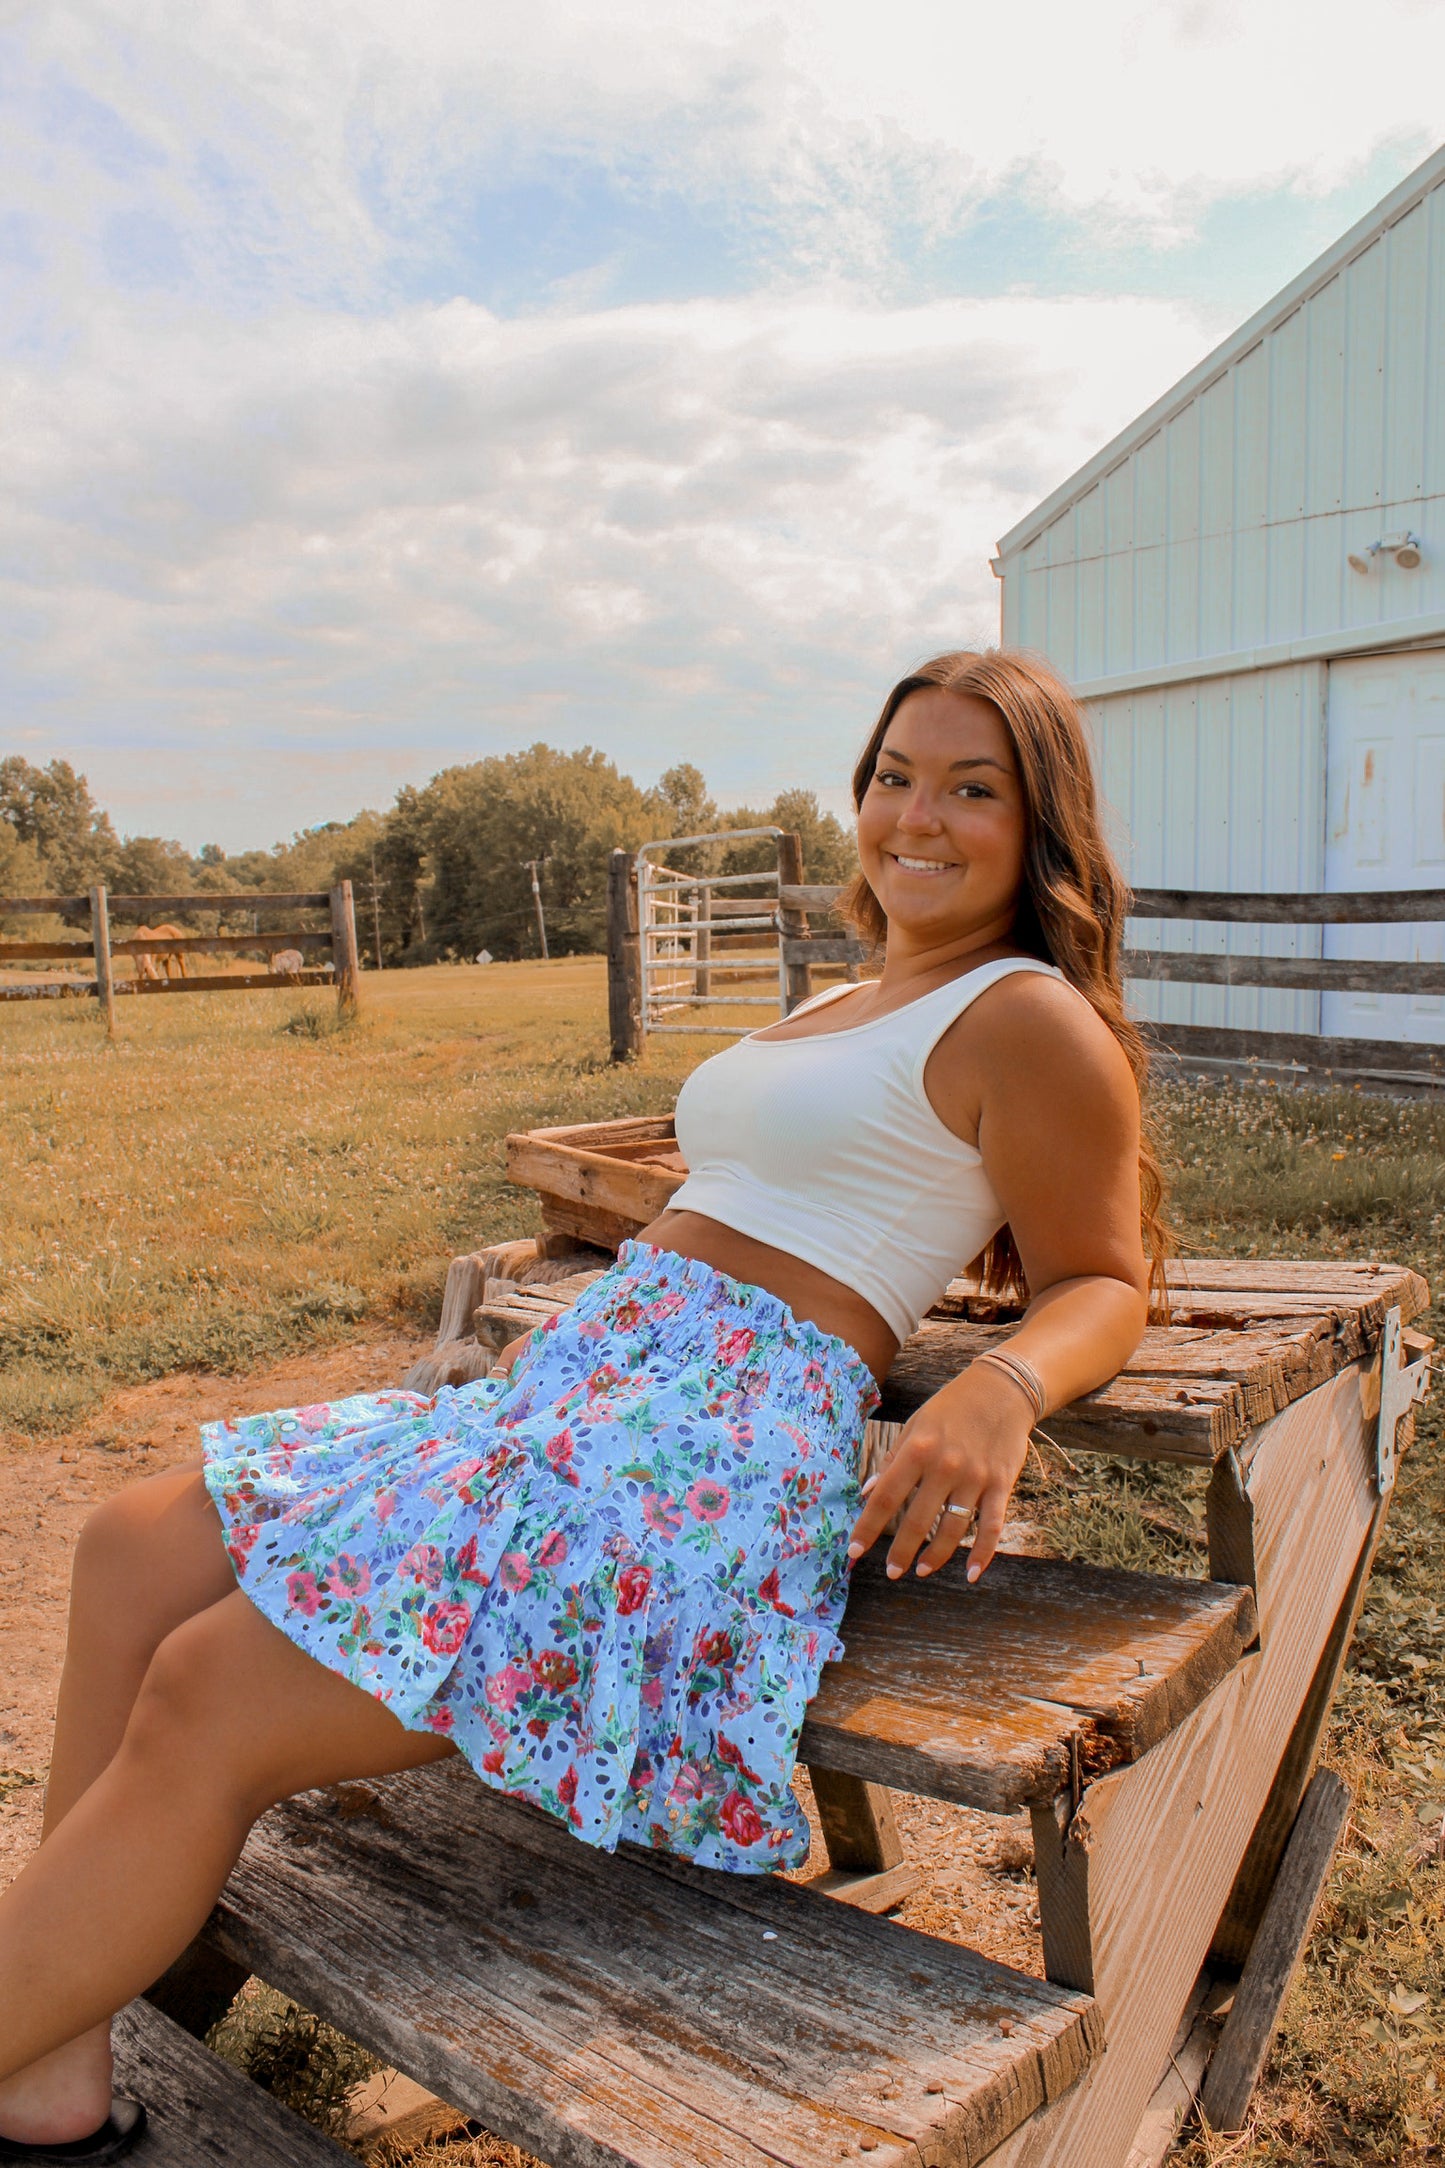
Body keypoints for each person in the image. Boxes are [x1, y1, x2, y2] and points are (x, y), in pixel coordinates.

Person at [0, 650, 1165, 2161]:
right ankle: (48, 2065)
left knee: (210, 1693)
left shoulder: (1028, 1017)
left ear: (1041, 824)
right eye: (892, 775)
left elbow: (1104, 1279)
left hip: (698, 1454)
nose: (914, 816)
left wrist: (1003, 1385)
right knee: (132, 1544)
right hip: (587, 1393)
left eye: (969, 787)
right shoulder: (860, 991)